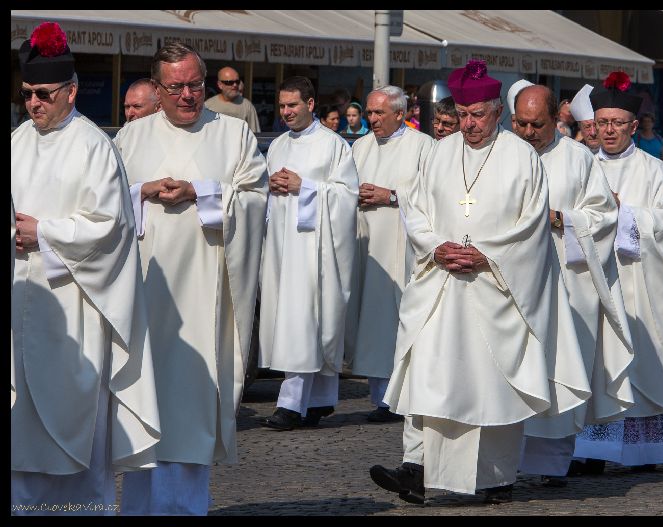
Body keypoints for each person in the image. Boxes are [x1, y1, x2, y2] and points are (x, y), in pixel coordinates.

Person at [368, 59, 588, 505]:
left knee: (489, 388)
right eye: (462, 115)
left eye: (478, 115)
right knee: (428, 371)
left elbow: (531, 226)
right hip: (442, 286)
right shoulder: (439, 152)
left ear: (497, 113)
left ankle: (492, 479)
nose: (468, 124)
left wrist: (488, 254)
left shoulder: (520, 156)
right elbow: (417, 211)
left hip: (497, 290)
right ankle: (417, 468)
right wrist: (437, 247)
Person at [114, 42, 268, 515]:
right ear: (156, 89)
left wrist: (202, 193)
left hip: (207, 298)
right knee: (145, 413)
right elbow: (107, 205)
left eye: (195, 85)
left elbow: (255, 198)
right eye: (175, 87)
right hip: (144, 296)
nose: (187, 96)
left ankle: (184, 509)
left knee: (191, 413)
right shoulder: (131, 137)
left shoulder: (235, 134)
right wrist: (142, 191)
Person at [11, 21, 159, 515]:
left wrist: (45, 233)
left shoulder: (94, 145)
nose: (34, 104)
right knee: (22, 437)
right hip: (21, 304)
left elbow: (111, 228)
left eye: (44, 94)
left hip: (75, 303)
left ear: (71, 92)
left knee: (77, 430)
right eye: (27, 93)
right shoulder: (16, 142)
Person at [573, 71, 663, 471]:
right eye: (602, 123)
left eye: (617, 123)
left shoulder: (655, 170)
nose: (609, 130)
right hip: (593, 280)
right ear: (593, 125)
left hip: (638, 282)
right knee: (596, 360)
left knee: (640, 362)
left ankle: (642, 450)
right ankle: (590, 450)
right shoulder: (582, 165)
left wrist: (624, 215)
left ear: (634, 126)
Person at [512, 84, 635, 486]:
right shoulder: (502, 156)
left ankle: (551, 464)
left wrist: (563, 220)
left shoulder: (578, 158)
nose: (529, 133)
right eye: (522, 124)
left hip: (565, 279)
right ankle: (502, 456)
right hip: (510, 280)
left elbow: (603, 215)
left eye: (538, 125)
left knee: (557, 364)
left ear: (557, 120)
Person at [258, 77, 358, 431]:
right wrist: (268, 186)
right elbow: (263, 192)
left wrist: (307, 187)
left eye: (293, 105)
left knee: (309, 320)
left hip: (317, 249)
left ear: (311, 104)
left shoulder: (333, 145)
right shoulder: (277, 145)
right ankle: (320, 399)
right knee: (297, 321)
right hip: (283, 247)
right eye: (282, 106)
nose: (285, 112)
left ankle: (290, 402)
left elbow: (348, 196)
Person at [347, 85, 434, 423]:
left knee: (398, 319)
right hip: (367, 244)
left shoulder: (423, 146)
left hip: (404, 246)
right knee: (372, 322)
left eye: (379, 113)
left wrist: (393, 196)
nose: (372, 119)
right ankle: (380, 397)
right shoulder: (359, 146)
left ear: (400, 113)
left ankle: (402, 394)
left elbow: (432, 195)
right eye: (369, 112)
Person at [203, 66, 260, 133]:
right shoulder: (208, 106)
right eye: (229, 82)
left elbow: (255, 135)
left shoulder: (247, 106)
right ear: (220, 84)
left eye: (237, 82)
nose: (235, 85)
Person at [568, 84, 600, 153]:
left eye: (596, 125)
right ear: (580, 128)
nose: (593, 133)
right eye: (587, 126)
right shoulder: (573, 153)